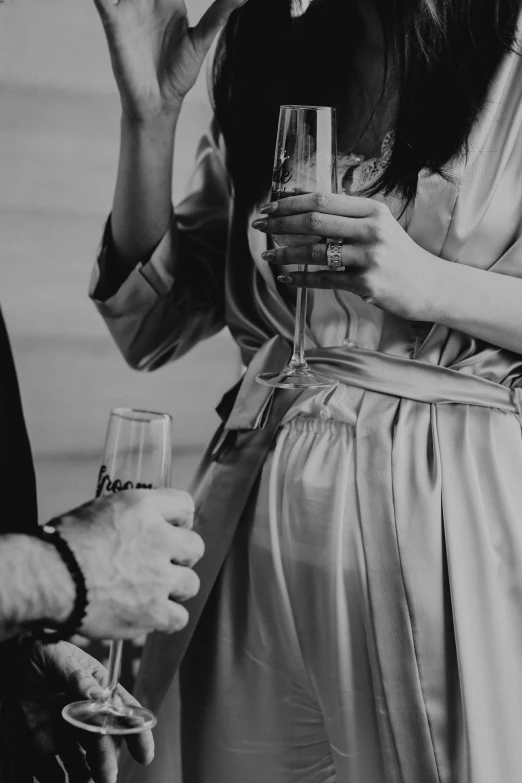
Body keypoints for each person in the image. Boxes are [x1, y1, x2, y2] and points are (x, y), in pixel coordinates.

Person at [91, 0, 522, 780]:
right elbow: (150, 323)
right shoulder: (275, 50)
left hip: (447, 517)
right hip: (251, 515)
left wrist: (432, 286)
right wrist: (149, 115)